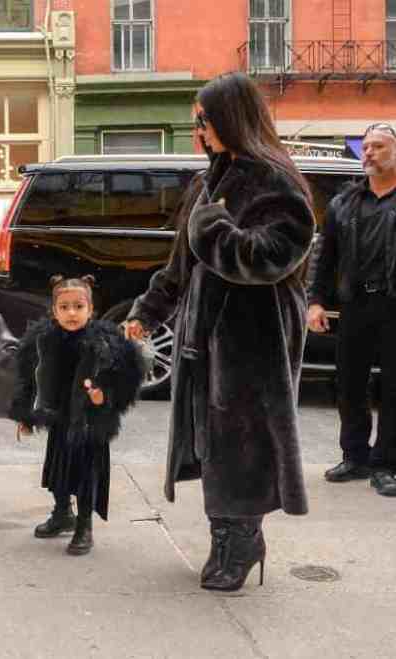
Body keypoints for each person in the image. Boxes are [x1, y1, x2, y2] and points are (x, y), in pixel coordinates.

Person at [124, 71, 314, 591]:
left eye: (204, 120)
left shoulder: (276, 181)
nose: (199, 131)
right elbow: (180, 265)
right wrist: (148, 311)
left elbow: (272, 257)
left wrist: (213, 229)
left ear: (231, 118)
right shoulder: (207, 181)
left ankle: (242, 540)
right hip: (205, 333)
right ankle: (226, 536)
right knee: (211, 440)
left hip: (254, 336)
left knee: (244, 441)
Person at [10, 275, 145, 556]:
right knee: (57, 472)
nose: (72, 313)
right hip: (60, 419)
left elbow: (124, 381)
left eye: (78, 306)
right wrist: (26, 414)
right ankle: (62, 513)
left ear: (91, 309)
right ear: (54, 310)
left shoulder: (106, 344)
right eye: (64, 307)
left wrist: (103, 397)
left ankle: (84, 525)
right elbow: (28, 379)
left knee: (86, 478)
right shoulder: (43, 340)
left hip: (90, 424)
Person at [308, 123, 396, 496]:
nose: (369, 152)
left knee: (393, 388)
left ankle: (386, 464)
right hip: (354, 304)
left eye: (378, 146)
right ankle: (355, 457)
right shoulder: (343, 203)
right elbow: (324, 257)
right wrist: (315, 301)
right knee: (349, 384)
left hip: (393, 305)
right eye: (366, 146)